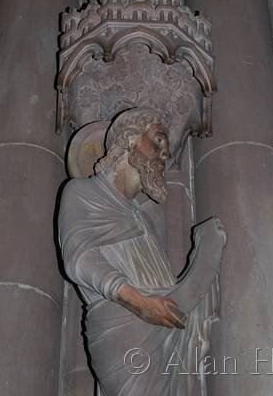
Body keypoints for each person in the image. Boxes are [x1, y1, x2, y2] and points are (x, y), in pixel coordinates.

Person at [58, 108, 223, 395]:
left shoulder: (143, 219)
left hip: (164, 333)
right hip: (122, 329)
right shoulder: (81, 192)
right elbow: (79, 259)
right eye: (158, 140)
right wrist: (140, 304)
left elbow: (163, 288)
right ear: (130, 139)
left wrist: (208, 254)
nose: (165, 154)